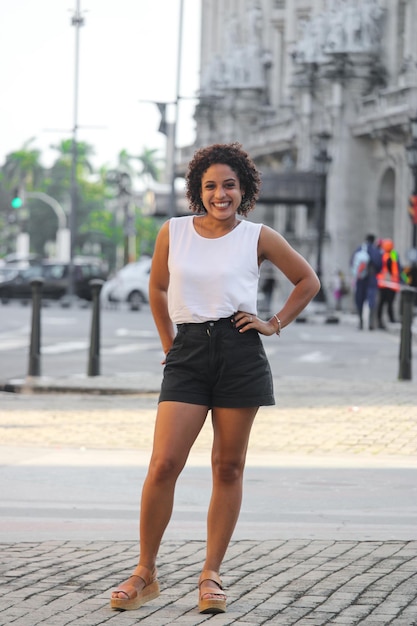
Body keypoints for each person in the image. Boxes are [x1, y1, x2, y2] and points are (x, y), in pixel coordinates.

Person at [110, 143, 320, 614]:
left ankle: (211, 573)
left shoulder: (258, 236)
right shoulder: (174, 232)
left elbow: (307, 281)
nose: (220, 194)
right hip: (187, 351)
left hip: (239, 350)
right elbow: (159, 287)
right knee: (164, 463)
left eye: (229, 185)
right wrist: (169, 345)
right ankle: (145, 571)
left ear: (243, 190)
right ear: (197, 191)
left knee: (228, 467)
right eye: (211, 186)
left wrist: (273, 322)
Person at [351, 233, 382, 330]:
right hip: (371, 278)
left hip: (360, 279)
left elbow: (352, 262)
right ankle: (371, 323)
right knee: (371, 300)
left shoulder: (360, 249)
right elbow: (379, 265)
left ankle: (360, 322)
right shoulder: (375, 250)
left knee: (359, 300)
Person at [376, 238, 401, 328]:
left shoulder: (383, 254)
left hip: (387, 283)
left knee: (385, 303)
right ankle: (386, 319)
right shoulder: (385, 255)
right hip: (388, 283)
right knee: (386, 303)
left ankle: (387, 319)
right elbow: (398, 267)